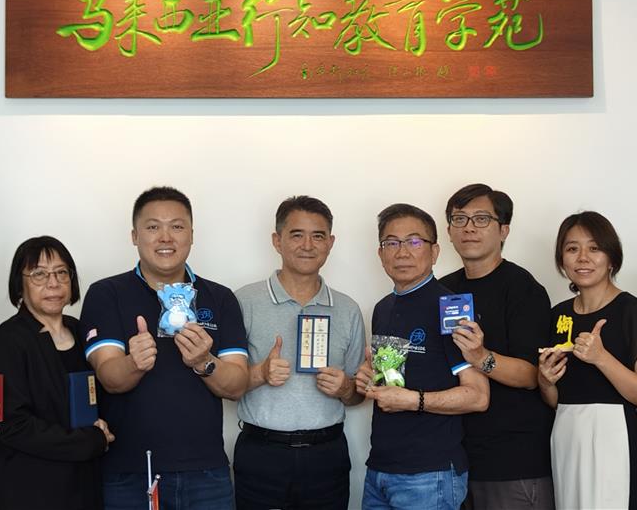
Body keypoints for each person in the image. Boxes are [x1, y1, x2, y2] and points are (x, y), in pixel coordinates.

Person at [78, 186, 249, 510]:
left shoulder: (219, 297)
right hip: (130, 472)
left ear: (192, 234)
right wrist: (134, 363)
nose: (165, 237)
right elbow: (109, 378)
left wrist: (205, 362)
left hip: (206, 472)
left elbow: (238, 385)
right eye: (153, 227)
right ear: (134, 235)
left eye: (177, 226)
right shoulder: (107, 294)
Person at [233, 195, 366, 510]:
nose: (308, 245)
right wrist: (260, 374)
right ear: (277, 241)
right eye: (296, 235)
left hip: (327, 455)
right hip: (261, 453)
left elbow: (358, 394)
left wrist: (346, 388)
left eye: (318, 236)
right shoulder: (243, 302)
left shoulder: (348, 309)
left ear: (330, 243)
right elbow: (224, 385)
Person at [355, 203, 489, 510]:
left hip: (430, 474)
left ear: (435, 251)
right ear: (380, 254)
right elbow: (393, 377)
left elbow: (478, 396)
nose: (402, 252)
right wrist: (367, 377)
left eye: (414, 241)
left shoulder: (450, 308)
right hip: (380, 469)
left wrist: (413, 401)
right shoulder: (383, 308)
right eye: (392, 243)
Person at [439, 184, 555, 510]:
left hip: (513, 462)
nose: (469, 228)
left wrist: (480, 356)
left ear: (503, 230)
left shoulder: (523, 289)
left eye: (481, 219)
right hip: (454, 460)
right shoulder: (443, 290)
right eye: (459, 219)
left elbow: (531, 376)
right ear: (449, 231)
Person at [537, 211, 637, 510]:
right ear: (562, 259)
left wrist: (601, 358)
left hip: (614, 433)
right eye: (572, 248)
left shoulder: (630, 310)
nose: (583, 258)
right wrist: (545, 381)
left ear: (611, 258)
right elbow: (556, 400)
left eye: (594, 248)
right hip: (566, 432)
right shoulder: (558, 315)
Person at [0, 236, 115, 510]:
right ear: (19, 283)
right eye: (39, 274)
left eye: (61, 273)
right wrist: (89, 441)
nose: (53, 283)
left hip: (85, 483)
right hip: (31, 488)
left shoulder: (82, 331)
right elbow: (13, 425)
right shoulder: (8, 339)